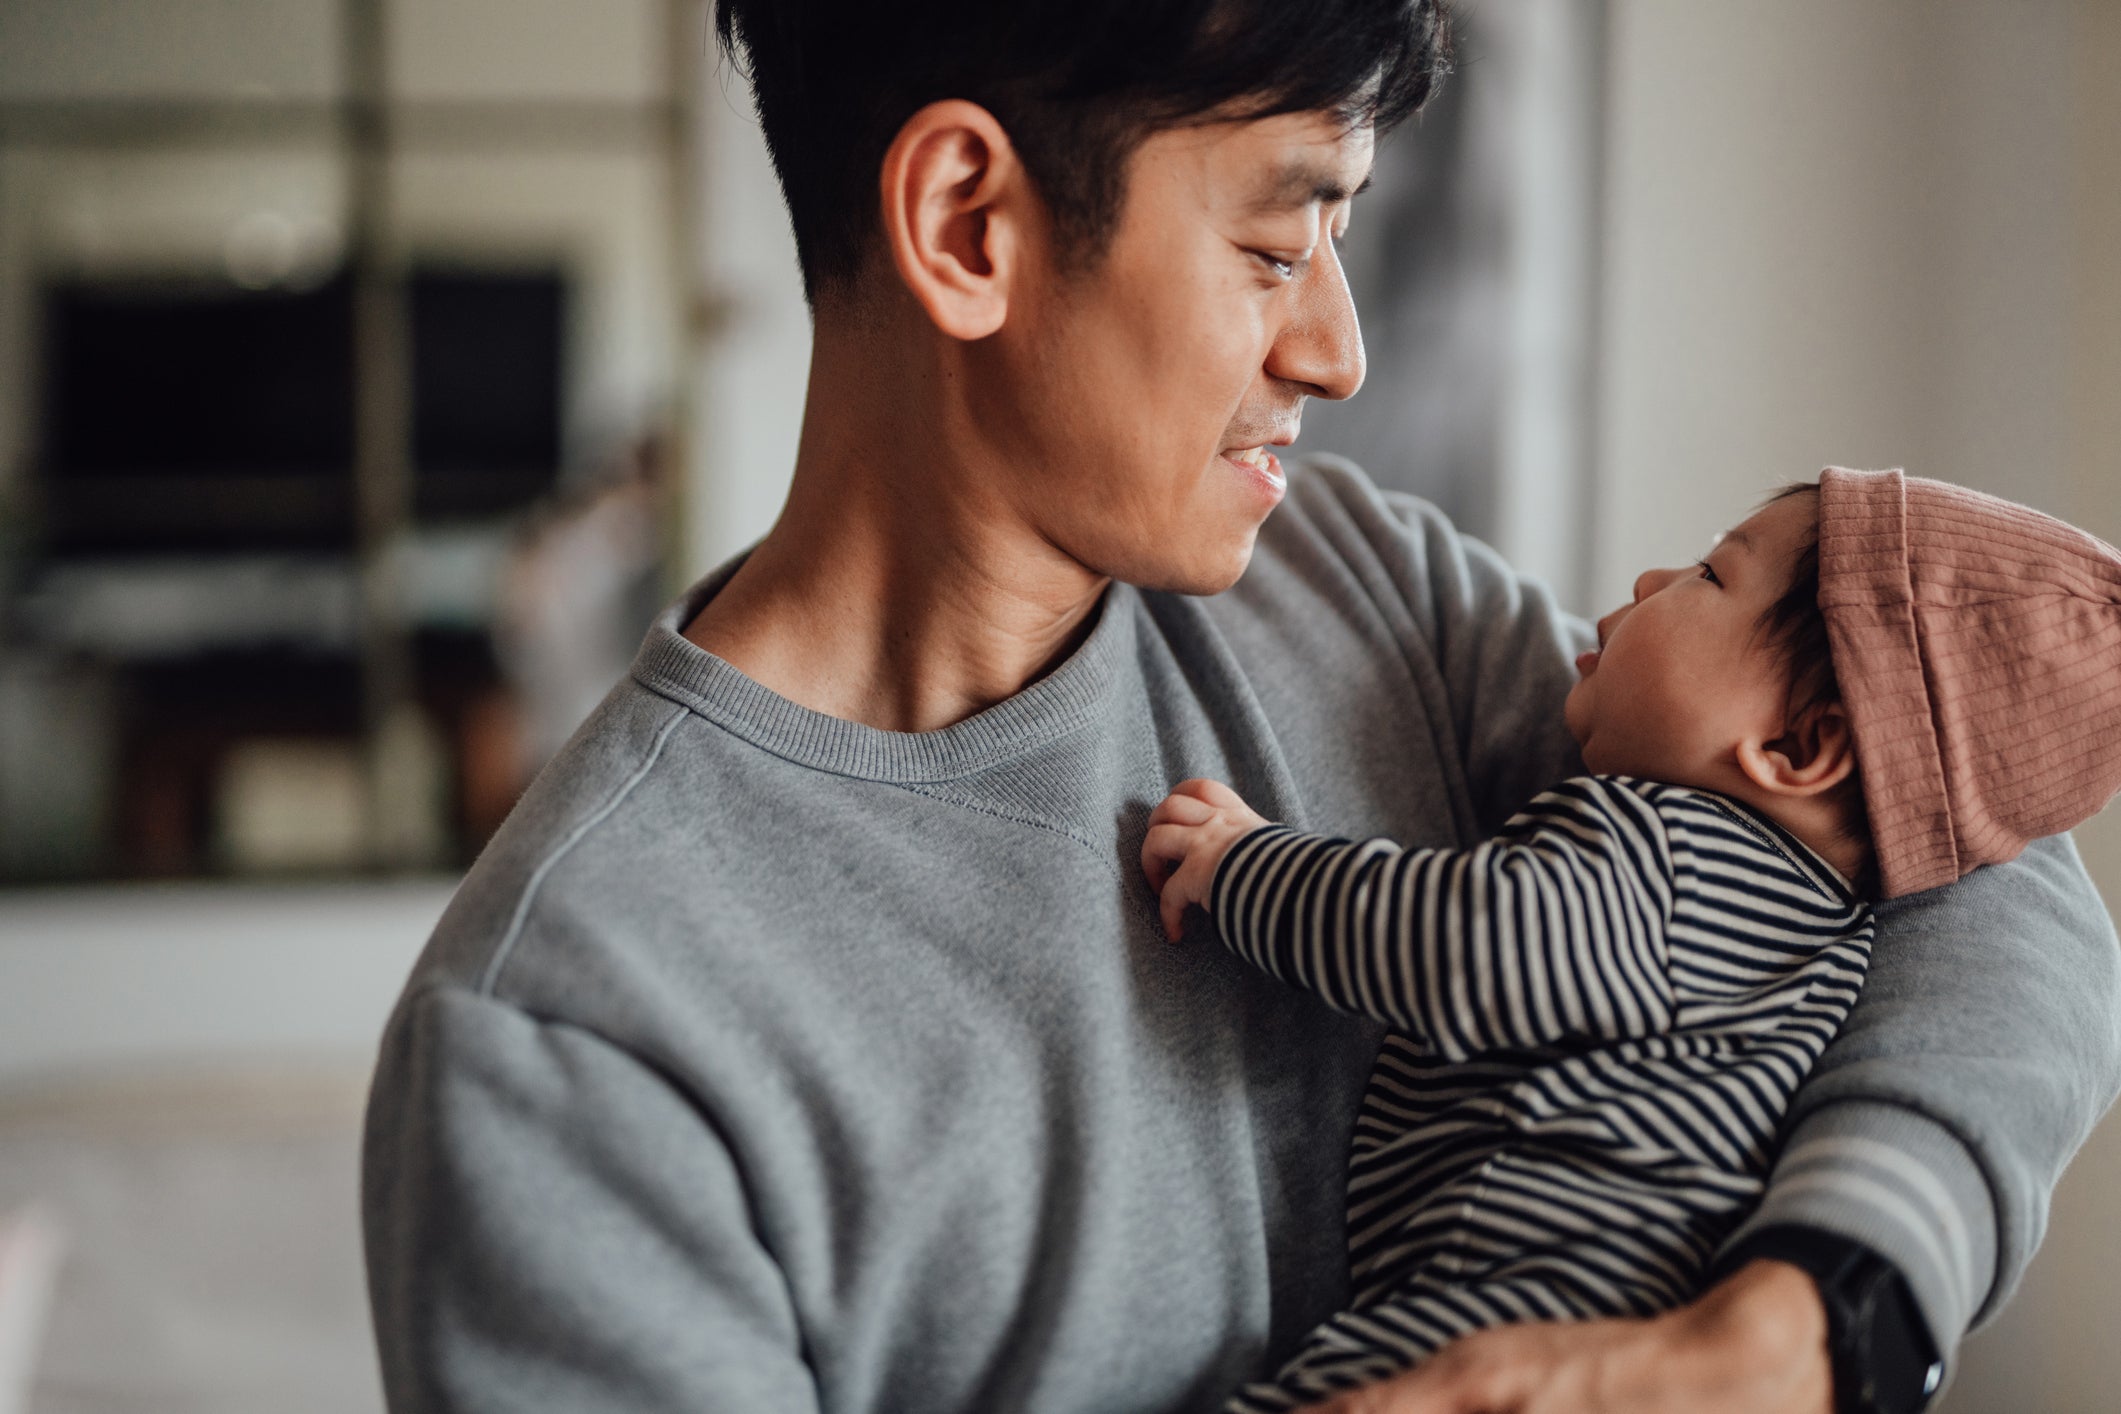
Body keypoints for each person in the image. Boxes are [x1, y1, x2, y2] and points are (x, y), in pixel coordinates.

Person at [360, 4, 2121, 1411]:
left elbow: (1973, 850)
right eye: (1280, 244)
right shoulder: (571, 1044)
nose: (1340, 349)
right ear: (969, 223)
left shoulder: (1359, 586)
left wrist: (1811, 1324)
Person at [1142, 470, 2121, 1410]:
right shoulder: (1828, 927)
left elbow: (1479, 950)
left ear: (1797, 749)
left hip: (1512, 1317)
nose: (1651, 580)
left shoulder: (1665, 845)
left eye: (1710, 576)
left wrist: (1247, 866)